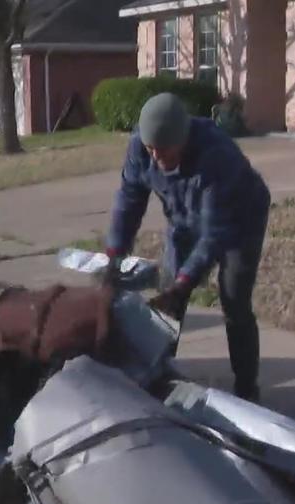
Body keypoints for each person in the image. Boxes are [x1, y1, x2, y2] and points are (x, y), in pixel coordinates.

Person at [104, 93, 271, 402]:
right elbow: (129, 199)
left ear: (183, 140)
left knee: (234, 301)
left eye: (163, 150)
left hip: (240, 220)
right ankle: (159, 373)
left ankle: (248, 389)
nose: (155, 157)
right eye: (150, 148)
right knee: (169, 300)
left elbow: (212, 236)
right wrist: (114, 254)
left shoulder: (217, 156)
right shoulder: (141, 148)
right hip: (183, 218)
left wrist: (185, 283)